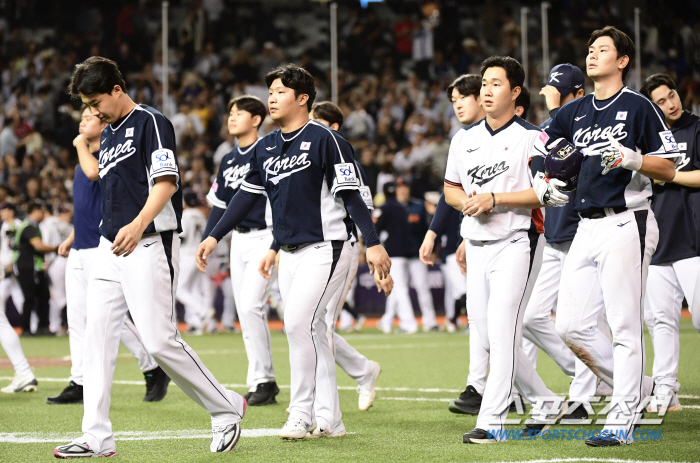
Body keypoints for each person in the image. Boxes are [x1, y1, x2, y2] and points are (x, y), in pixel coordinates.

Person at [54, 56, 245, 458]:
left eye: (95, 102)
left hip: (149, 241)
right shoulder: (106, 136)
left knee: (159, 341)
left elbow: (166, 181)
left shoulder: (151, 122)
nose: (92, 112)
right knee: (97, 338)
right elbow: (111, 192)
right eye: (87, 106)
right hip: (110, 249)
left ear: (117, 90)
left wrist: (140, 223)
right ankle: (96, 437)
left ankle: (226, 407)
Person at [197, 64, 391, 440]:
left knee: (299, 323)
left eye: (281, 91)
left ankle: (301, 412)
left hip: (327, 246)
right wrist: (214, 235)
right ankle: (331, 420)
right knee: (315, 330)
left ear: (303, 98)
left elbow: (351, 195)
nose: (272, 96)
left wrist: (374, 241)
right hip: (288, 251)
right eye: (270, 90)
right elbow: (243, 197)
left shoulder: (326, 139)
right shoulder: (267, 145)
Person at [532, 27, 679, 446]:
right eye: (590, 49)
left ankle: (622, 420)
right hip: (585, 225)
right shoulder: (575, 111)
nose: (592, 55)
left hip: (626, 220)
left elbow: (668, 167)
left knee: (624, 325)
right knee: (571, 326)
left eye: (602, 50)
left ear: (623, 61)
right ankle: (643, 388)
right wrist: (543, 177)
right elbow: (541, 140)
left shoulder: (638, 106)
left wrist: (635, 158)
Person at [444, 55, 569, 444]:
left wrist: (494, 199)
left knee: (501, 332)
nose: (485, 89)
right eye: (484, 82)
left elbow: (552, 191)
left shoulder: (534, 137)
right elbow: (450, 187)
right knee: (485, 337)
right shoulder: (464, 139)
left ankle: (492, 421)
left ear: (515, 92)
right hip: (478, 244)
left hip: (519, 241)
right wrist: (465, 200)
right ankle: (545, 400)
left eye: (495, 83)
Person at [48, 105, 170, 406]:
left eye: (89, 118)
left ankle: (152, 365)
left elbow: (93, 173)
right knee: (77, 317)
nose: (83, 123)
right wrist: (71, 237)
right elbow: (91, 207)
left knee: (109, 320)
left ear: (104, 126)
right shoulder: (84, 159)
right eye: (82, 118)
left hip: (103, 246)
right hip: (81, 246)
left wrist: (78, 144)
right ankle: (79, 380)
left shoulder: (105, 154)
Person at [522, 63, 611, 419]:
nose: (551, 98)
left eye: (560, 93)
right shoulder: (548, 127)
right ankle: (590, 374)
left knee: (591, 319)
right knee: (531, 317)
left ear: (579, 94)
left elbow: (578, 152)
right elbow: (535, 162)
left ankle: (584, 395)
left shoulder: (590, 122)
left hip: (584, 231)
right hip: (554, 235)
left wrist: (557, 109)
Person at [202, 94, 280, 406]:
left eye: (239, 113)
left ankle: (265, 380)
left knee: (251, 306)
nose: (231, 118)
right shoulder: (228, 159)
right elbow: (219, 206)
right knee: (247, 310)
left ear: (257, 119)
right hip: (238, 239)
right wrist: (210, 238)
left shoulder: (267, 149)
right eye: (230, 113)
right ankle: (261, 380)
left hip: (268, 236)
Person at [309, 100, 387, 411]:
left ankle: (318, 400)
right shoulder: (307, 157)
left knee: (320, 322)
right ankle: (363, 370)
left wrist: (373, 246)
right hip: (312, 248)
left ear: (334, 127)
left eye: (316, 120)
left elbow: (363, 207)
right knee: (311, 322)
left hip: (343, 245)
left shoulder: (346, 158)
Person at [640, 73, 700, 411]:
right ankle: (666, 389)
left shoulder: (696, 129)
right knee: (660, 319)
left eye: (671, 95)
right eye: (660, 101)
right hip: (659, 240)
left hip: (693, 239)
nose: (670, 103)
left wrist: (670, 174)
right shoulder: (648, 142)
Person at [0, 201, 37, 394]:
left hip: (11, 266)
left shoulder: (18, 225)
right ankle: (23, 372)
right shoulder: (5, 226)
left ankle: (23, 372)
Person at [375, 181, 419, 334]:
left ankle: (409, 324)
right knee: (395, 288)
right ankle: (386, 321)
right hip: (406, 253)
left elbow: (375, 229)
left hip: (393, 253)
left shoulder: (384, 208)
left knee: (399, 289)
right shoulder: (402, 207)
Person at [397, 181, 438, 331]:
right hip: (398, 254)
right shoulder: (392, 207)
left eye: (405, 188)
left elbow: (427, 229)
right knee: (400, 291)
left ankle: (430, 322)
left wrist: (431, 249)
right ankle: (406, 323)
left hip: (416, 253)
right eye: (400, 189)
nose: (403, 191)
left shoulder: (418, 206)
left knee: (423, 288)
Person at [14, 200, 56, 336]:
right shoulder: (28, 227)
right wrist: (56, 248)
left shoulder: (33, 226)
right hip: (27, 266)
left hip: (34, 267)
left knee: (43, 295)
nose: (43, 214)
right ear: (35, 211)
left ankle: (42, 327)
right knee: (29, 297)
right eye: (41, 211)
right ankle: (26, 329)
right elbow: (38, 246)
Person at [178, 189, 214, 334]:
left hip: (187, 254)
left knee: (180, 289)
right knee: (193, 289)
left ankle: (202, 311)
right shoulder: (201, 216)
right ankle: (196, 323)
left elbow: (182, 236)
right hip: (199, 253)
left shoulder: (185, 215)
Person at [40, 203, 73, 335]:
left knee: (56, 295)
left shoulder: (47, 224)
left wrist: (46, 262)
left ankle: (55, 326)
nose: (67, 216)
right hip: (70, 259)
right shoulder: (70, 226)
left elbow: (46, 242)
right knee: (69, 294)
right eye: (64, 213)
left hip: (56, 260)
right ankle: (69, 325)